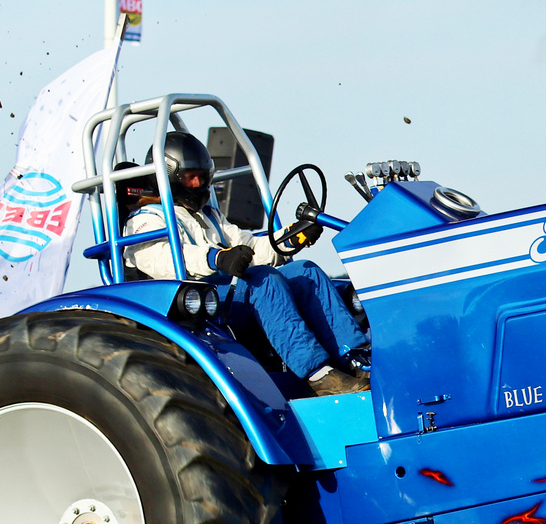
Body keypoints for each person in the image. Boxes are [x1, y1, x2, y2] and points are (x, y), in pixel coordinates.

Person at [124, 132, 370, 396]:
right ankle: (319, 375)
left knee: (304, 271)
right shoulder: (146, 220)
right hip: (198, 306)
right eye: (188, 177)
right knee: (264, 280)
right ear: (168, 177)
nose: (197, 184)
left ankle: (356, 358)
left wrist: (291, 238)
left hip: (230, 297)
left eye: (202, 176)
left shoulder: (210, 216)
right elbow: (161, 259)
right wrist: (216, 258)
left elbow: (251, 247)